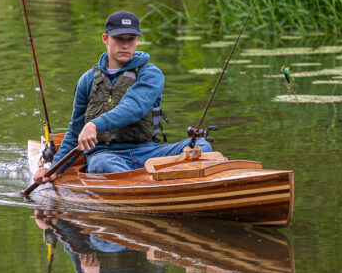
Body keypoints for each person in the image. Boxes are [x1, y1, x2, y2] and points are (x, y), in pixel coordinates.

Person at [33, 10, 212, 184]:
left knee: (201, 146)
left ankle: (156, 181)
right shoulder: (87, 80)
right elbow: (75, 132)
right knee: (105, 164)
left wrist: (95, 124)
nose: (125, 45)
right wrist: (54, 168)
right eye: (119, 39)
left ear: (137, 40)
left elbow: (134, 108)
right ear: (105, 39)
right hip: (105, 155)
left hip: (148, 152)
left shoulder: (150, 74)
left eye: (130, 39)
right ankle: (142, 185)